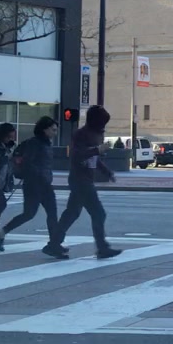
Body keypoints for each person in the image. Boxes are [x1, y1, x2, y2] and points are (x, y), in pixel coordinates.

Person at [57, 105, 121, 260]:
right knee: (98, 213)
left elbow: (94, 159)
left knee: (72, 213)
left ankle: (54, 242)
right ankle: (102, 247)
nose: (103, 126)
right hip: (81, 179)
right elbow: (77, 155)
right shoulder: (82, 134)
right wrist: (97, 150)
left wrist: (106, 171)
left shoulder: (94, 134)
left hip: (83, 179)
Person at [0, 116, 66, 258]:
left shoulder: (45, 143)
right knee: (29, 214)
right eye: (53, 130)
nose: (55, 133)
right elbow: (29, 163)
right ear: (44, 129)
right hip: (34, 185)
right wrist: (40, 176)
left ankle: (54, 245)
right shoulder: (35, 144)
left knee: (51, 214)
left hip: (44, 184)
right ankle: (0, 234)